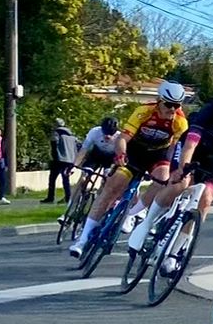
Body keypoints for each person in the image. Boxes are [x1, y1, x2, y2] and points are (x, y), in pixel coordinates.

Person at [128, 81, 213, 253]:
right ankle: (146, 224)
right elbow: (191, 143)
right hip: (190, 147)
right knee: (180, 184)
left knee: (207, 197)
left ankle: (177, 250)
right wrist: (182, 169)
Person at [68, 82, 190, 258]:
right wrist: (121, 154)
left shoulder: (180, 122)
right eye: (169, 104)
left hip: (158, 155)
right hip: (134, 151)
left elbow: (174, 150)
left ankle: (132, 214)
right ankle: (83, 239)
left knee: (162, 179)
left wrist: (174, 170)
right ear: (159, 100)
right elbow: (122, 139)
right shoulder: (144, 111)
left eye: (177, 105)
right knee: (112, 188)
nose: (172, 109)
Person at [47, 119, 80, 204]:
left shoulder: (56, 133)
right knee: (65, 179)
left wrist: (54, 158)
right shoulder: (71, 135)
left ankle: (50, 197)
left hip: (59, 159)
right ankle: (68, 197)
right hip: (70, 160)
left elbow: (54, 146)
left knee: (52, 179)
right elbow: (78, 145)